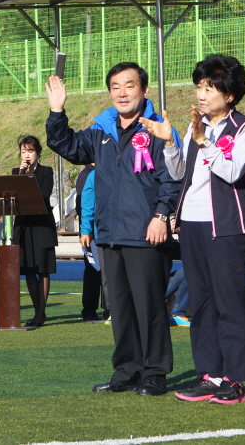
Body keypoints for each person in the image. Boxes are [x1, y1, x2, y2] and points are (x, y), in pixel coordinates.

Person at [46, 62, 181, 397]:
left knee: (149, 306)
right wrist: (57, 110)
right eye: (116, 87)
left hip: (146, 233)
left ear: (144, 90)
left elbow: (172, 178)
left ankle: (155, 372)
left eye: (129, 85)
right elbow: (67, 146)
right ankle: (128, 369)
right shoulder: (101, 131)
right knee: (119, 308)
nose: (122, 92)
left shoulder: (156, 129)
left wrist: (161, 216)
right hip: (109, 235)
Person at [140, 54, 245, 404]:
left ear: (230, 94)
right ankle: (210, 374)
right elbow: (180, 174)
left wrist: (205, 140)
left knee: (230, 303)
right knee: (201, 303)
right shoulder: (198, 125)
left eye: (210, 88)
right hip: (191, 224)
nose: (202, 95)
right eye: (200, 87)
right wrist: (172, 142)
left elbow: (234, 171)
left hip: (227, 227)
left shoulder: (244, 128)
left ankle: (234, 380)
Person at [11, 135, 58, 327]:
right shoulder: (16, 172)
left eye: (30, 151)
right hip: (23, 226)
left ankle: (41, 313)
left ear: (38, 153)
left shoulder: (46, 171)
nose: (27, 155)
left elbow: (44, 196)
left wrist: (30, 175)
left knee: (43, 270)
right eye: (24, 151)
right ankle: (37, 310)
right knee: (28, 270)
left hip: (41, 226)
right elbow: (15, 196)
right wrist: (22, 173)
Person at [79, 166, 110, 322]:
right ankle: (109, 309)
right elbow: (87, 204)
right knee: (103, 273)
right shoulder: (93, 174)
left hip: (128, 231)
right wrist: (86, 230)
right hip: (103, 233)